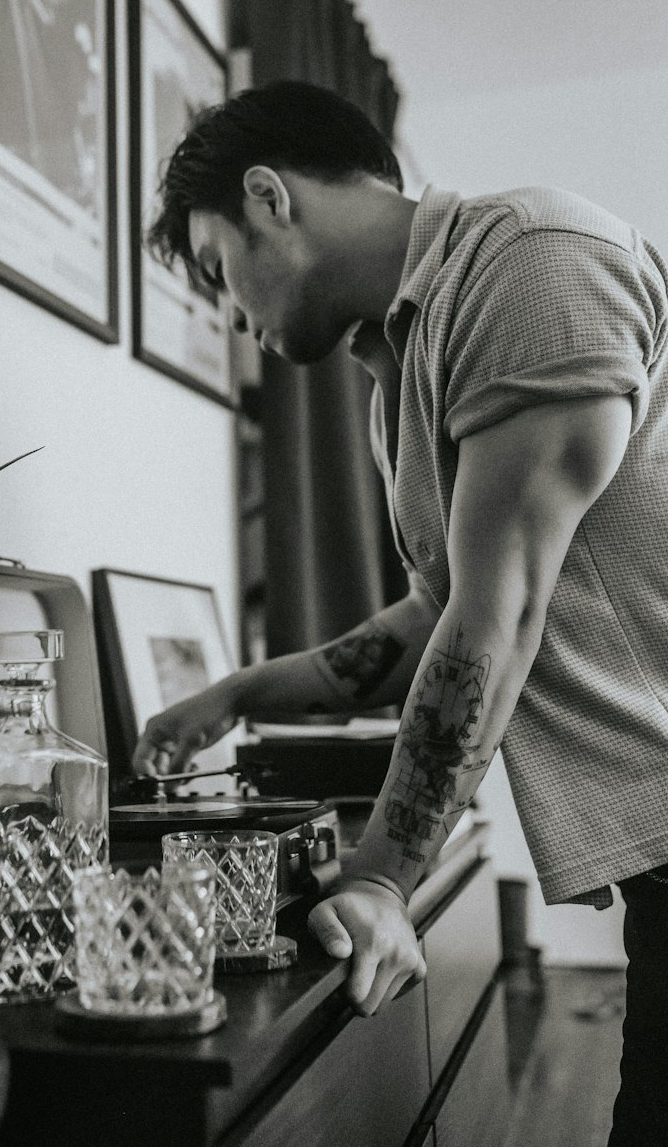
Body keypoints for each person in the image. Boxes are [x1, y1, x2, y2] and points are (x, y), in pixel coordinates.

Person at [131, 80, 668, 1146]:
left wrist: (382, 874)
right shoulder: (401, 379)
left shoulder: (531, 264)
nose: (231, 317)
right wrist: (238, 693)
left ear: (268, 196)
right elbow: (436, 612)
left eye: (214, 271)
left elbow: (498, 610)